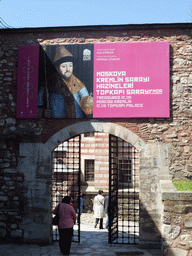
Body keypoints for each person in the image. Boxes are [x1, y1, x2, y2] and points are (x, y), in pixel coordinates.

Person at [38, 45, 93, 118]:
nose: (68, 69)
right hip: (56, 122)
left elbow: (85, 97)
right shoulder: (49, 83)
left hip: (76, 121)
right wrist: (43, 112)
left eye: (70, 65)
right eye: (63, 66)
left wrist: (88, 106)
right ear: (57, 68)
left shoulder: (78, 83)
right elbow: (38, 103)